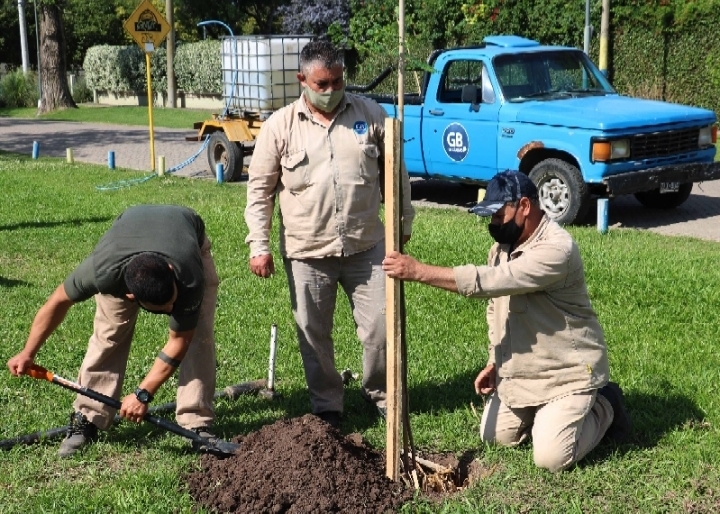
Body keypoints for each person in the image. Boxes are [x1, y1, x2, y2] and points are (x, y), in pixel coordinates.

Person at [382, 170, 631, 472]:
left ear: (524, 206)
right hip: (525, 372)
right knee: (494, 436)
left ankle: (605, 406)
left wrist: (419, 271)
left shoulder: (556, 250)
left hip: (567, 373)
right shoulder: (501, 250)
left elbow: (493, 281)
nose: (493, 224)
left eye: (498, 214)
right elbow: (495, 307)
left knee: (551, 458)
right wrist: (495, 360)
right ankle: (550, 413)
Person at [244, 40, 415, 428]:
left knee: (380, 328)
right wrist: (259, 244)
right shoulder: (279, 126)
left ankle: (383, 396)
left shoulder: (371, 115)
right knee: (313, 334)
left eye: (337, 81)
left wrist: (402, 226)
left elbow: (396, 176)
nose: (330, 90)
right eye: (321, 83)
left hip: (368, 246)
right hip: (308, 251)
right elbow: (259, 190)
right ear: (301, 79)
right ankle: (328, 407)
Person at [7, 204, 219, 457]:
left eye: (172, 301)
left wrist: (142, 394)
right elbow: (57, 303)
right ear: (130, 296)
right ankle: (88, 416)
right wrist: (28, 352)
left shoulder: (188, 275)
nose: (173, 309)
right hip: (123, 247)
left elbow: (180, 340)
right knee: (108, 334)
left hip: (185, 231)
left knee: (198, 337)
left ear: (171, 272)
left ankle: (198, 422)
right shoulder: (102, 272)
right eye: (164, 307)